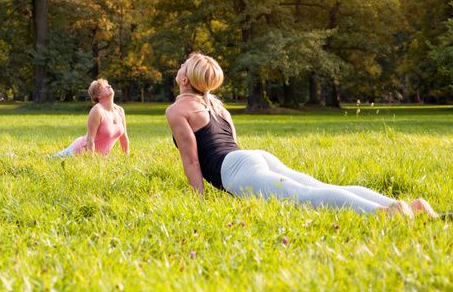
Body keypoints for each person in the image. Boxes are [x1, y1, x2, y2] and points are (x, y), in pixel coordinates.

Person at [164, 52, 435, 218]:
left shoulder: (177, 110)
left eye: (182, 65)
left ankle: (386, 213)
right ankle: (411, 206)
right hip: (252, 158)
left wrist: (199, 201)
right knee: (321, 187)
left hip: (235, 168)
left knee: (304, 197)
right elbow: (231, 143)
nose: (179, 67)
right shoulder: (218, 107)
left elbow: (192, 161)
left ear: (185, 79)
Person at [53, 78, 130, 157]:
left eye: (108, 84)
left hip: (100, 157)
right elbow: (90, 139)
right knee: (52, 158)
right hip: (79, 151)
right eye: (104, 86)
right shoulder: (97, 111)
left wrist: (127, 158)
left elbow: (124, 138)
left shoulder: (119, 110)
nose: (109, 86)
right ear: (98, 95)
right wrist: (91, 160)